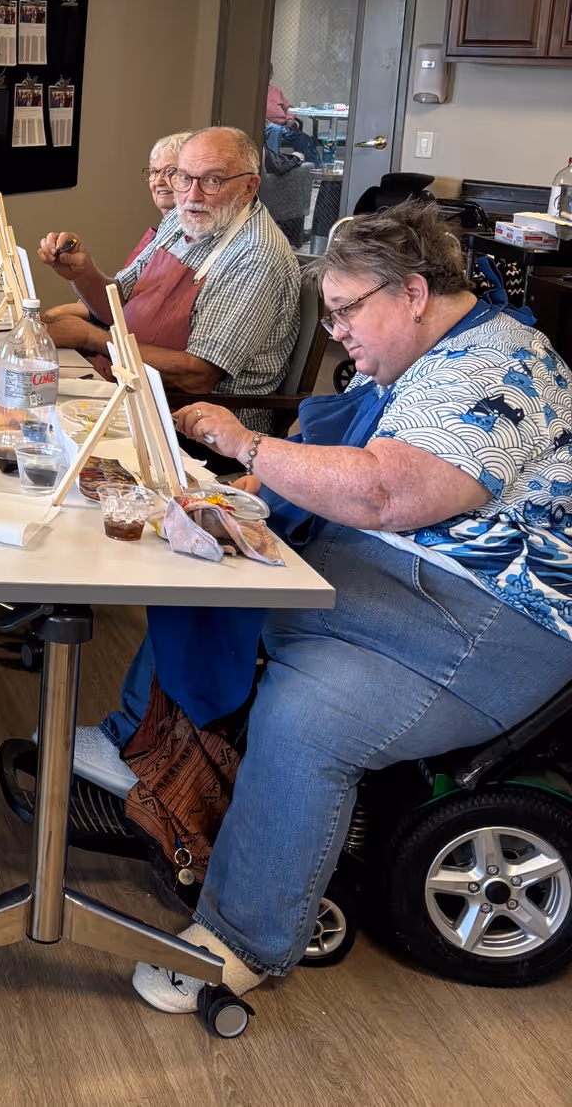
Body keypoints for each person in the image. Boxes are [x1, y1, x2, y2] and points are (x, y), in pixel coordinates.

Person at [115, 201, 572, 1012]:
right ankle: (138, 754)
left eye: (346, 312)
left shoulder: (494, 367)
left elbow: (389, 490)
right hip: (406, 577)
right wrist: (242, 494)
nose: (336, 336)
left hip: (494, 619)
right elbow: (347, 463)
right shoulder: (417, 352)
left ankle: (244, 938)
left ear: (414, 293)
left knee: (308, 719)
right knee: (209, 575)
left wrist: (245, 445)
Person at [37, 126, 301, 440]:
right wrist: (83, 274)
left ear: (248, 187)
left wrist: (92, 339)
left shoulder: (256, 256)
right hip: (137, 387)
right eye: (184, 177)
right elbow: (119, 304)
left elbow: (198, 376)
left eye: (212, 180)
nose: (192, 195)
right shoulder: (181, 219)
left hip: (201, 428)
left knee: (45, 432)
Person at [47, 131, 193, 327]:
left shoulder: (196, 240)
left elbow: (144, 309)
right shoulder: (163, 232)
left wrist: (73, 318)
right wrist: (82, 276)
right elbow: (123, 294)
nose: (158, 181)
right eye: (154, 172)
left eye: (170, 172)